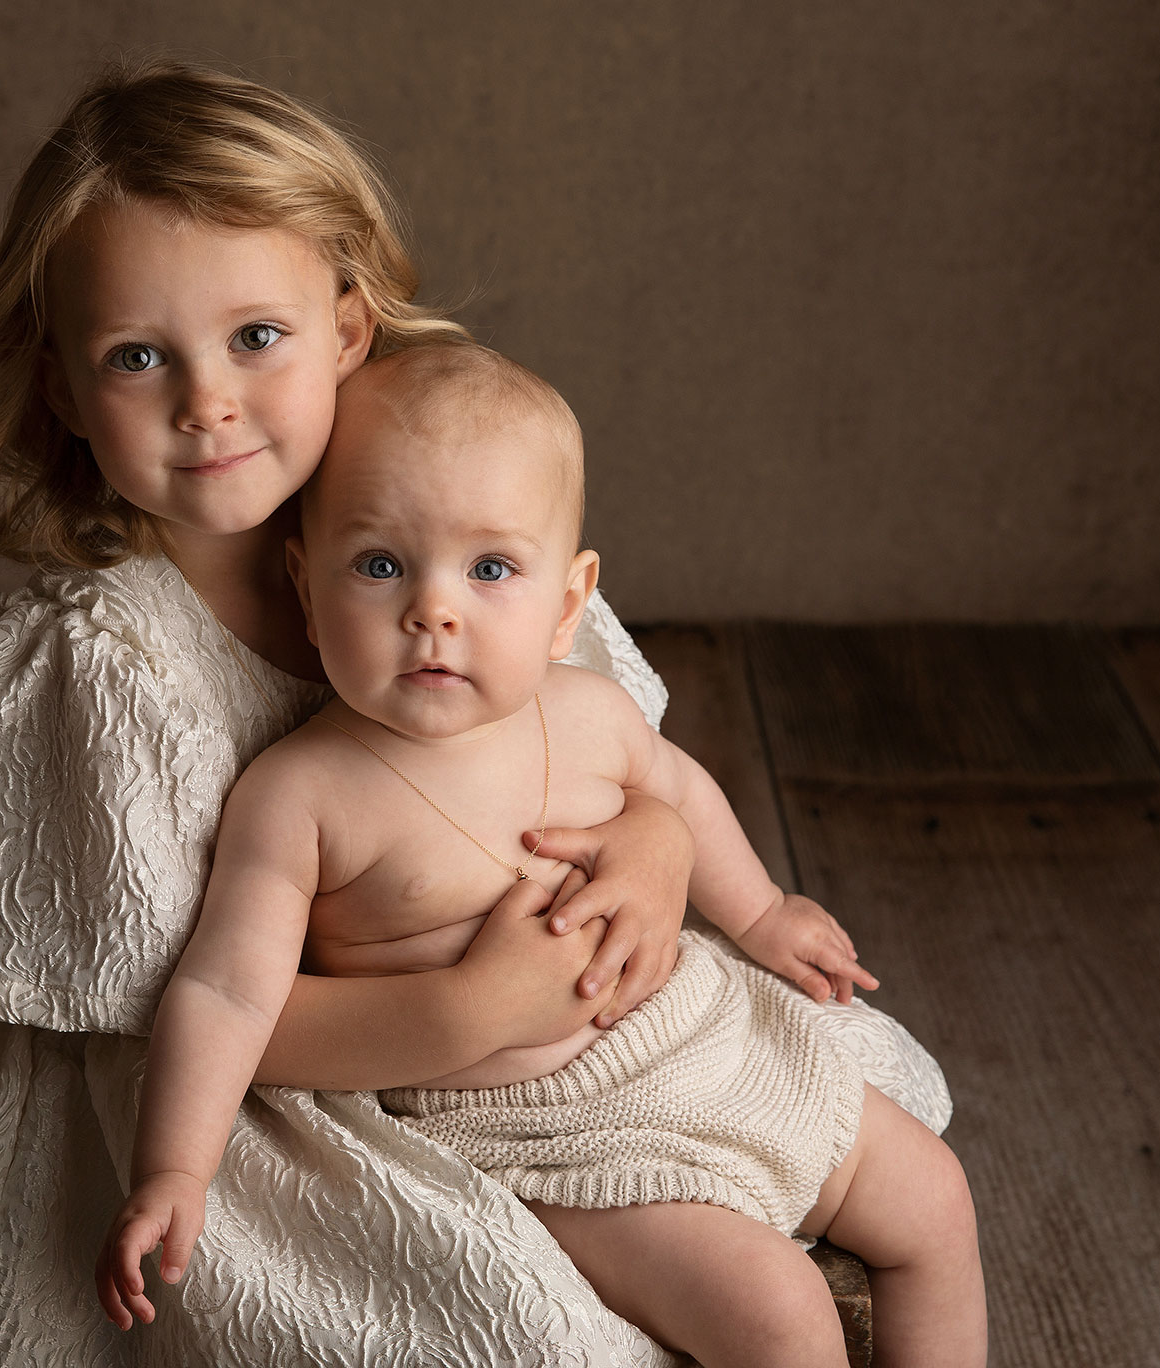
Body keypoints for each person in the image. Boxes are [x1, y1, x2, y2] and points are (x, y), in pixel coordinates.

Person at [0, 59, 952, 1366]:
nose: (206, 400)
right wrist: (468, 1012)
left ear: (344, 326)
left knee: (882, 1160)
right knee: (514, 1336)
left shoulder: (440, 513)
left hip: (572, 1032)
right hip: (244, 1104)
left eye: (256, 337)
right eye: (137, 356)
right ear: (61, 388)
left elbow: (611, 747)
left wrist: (657, 852)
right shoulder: (107, 676)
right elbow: (192, 1004)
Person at [99, 344, 986, 1367]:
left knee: (935, 1200)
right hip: (539, 1135)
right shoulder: (301, 796)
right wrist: (173, 1169)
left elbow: (682, 793)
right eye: (380, 564)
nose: (435, 610)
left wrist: (761, 912)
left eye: (491, 570)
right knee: (780, 1315)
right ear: (305, 585)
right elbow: (225, 995)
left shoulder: (592, 712)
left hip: (699, 1040)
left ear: (569, 601)